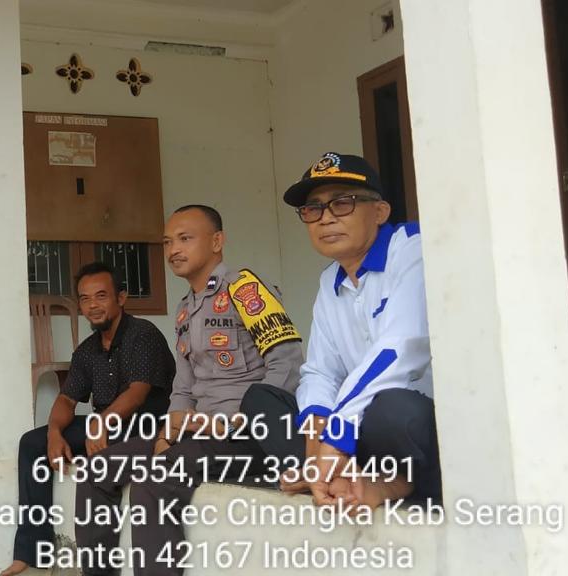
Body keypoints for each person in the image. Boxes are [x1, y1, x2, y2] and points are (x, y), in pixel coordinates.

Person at [74, 206, 305, 575]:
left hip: (246, 437)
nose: (173, 250)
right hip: (196, 434)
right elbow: (183, 386)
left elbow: (288, 364)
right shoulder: (185, 310)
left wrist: (230, 423)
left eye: (185, 239)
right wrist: (167, 433)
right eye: (168, 242)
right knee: (96, 468)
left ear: (217, 241)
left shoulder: (245, 290)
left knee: (154, 480)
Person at [243, 152, 439, 513]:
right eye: (313, 209)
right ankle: (332, 476)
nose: (326, 217)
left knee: (394, 407)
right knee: (260, 400)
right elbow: (320, 371)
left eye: (342, 203)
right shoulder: (329, 280)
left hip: (415, 425)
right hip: (357, 427)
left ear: (379, 212)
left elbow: (400, 349)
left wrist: (335, 436)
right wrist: (317, 436)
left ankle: (390, 482)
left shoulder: (412, 248)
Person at [0, 261, 175, 576]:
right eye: (84, 298)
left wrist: (100, 424)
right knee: (32, 444)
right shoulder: (87, 350)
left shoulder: (143, 334)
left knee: (100, 458)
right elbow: (67, 398)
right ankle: (32, 551)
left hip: (145, 428)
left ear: (121, 298)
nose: (92, 305)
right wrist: (54, 433)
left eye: (101, 296)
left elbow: (137, 393)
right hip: (104, 427)